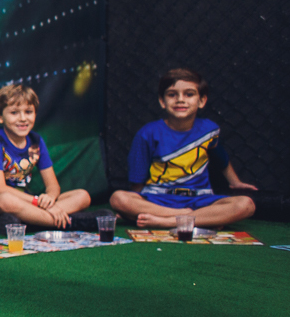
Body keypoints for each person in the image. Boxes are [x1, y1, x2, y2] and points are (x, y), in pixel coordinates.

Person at [110, 68, 257, 228]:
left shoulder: (209, 130)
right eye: (172, 95)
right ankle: (195, 219)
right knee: (118, 198)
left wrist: (235, 182)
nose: (180, 100)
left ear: (201, 101)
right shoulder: (147, 133)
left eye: (189, 94)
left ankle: (169, 222)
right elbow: (137, 182)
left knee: (246, 204)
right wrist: (129, 208)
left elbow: (221, 157)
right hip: (158, 199)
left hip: (200, 199)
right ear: (162, 101)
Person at [0, 83, 91, 232]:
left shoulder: (36, 141)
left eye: (28, 112)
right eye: (14, 113)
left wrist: (49, 199)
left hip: (27, 202)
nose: (23, 118)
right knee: (5, 201)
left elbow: (53, 186)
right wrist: (37, 202)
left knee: (82, 196)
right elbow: (0, 190)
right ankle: (68, 222)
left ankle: (33, 221)